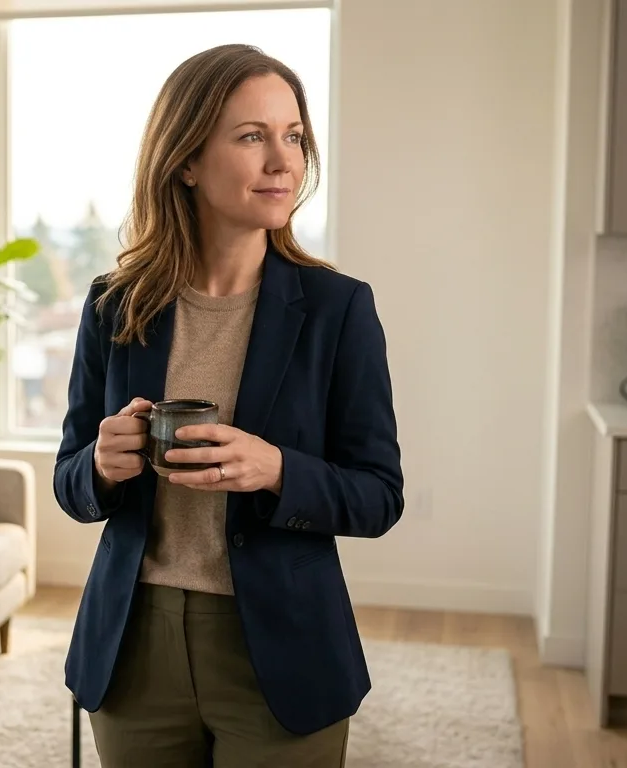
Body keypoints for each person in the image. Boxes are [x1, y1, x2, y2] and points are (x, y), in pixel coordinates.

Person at [51, 43, 405, 767]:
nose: (284, 162)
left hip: (281, 648)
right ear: (185, 159)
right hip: (132, 647)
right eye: (253, 136)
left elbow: (378, 495)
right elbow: (70, 483)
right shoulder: (114, 306)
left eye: (294, 137)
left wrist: (277, 469)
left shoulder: (339, 310)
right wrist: (104, 463)